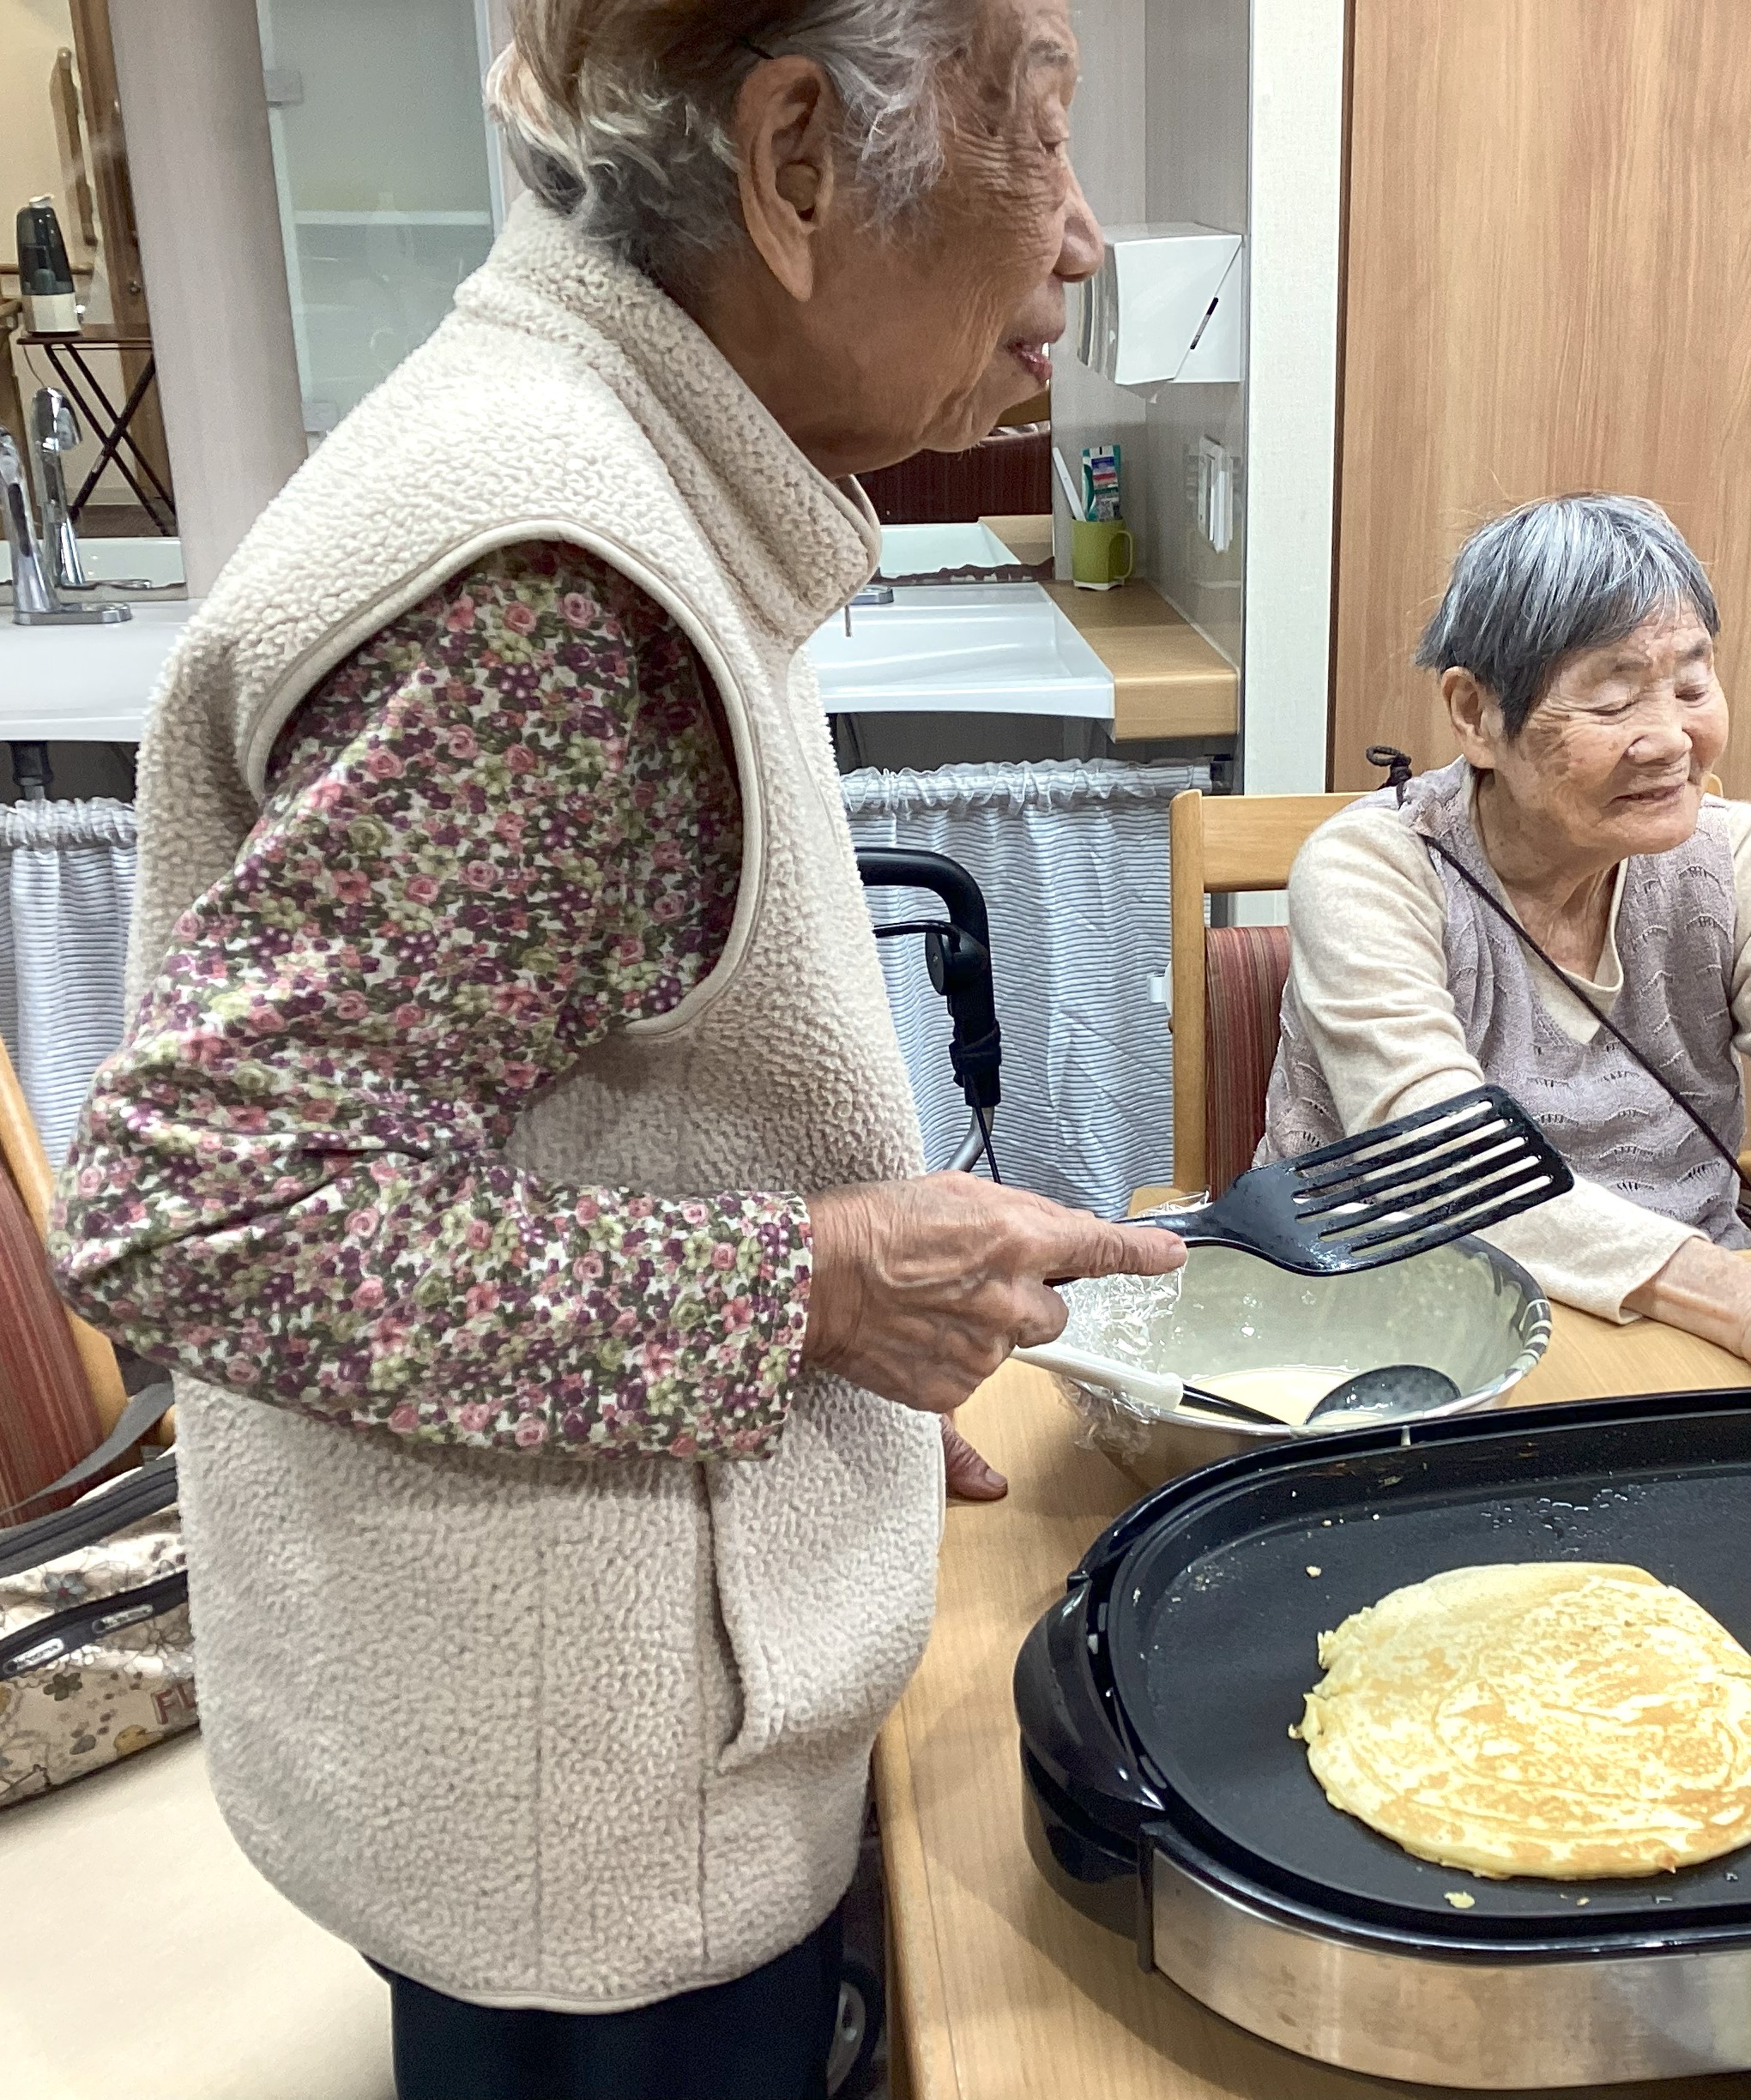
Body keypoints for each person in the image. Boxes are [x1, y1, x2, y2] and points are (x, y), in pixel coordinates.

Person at [48, 3, 1182, 2093]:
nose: (1084, 234)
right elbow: (201, 1213)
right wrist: (812, 1293)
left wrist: (824, 1411)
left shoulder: (601, 446)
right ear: (796, 158)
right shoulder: (557, 587)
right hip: (590, 1847)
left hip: (557, 1736)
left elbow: (596, 1102)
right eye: (1038, 123)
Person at [1264, 493, 1751, 1383]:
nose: (1671, 740)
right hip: (1401, 1331)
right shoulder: (1371, 870)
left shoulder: (1740, 864)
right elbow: (1442, 1158)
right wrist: (1746, 1300)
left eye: (1692, 686)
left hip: (1687, 1333)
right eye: (1611, 700)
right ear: (1476, 714)